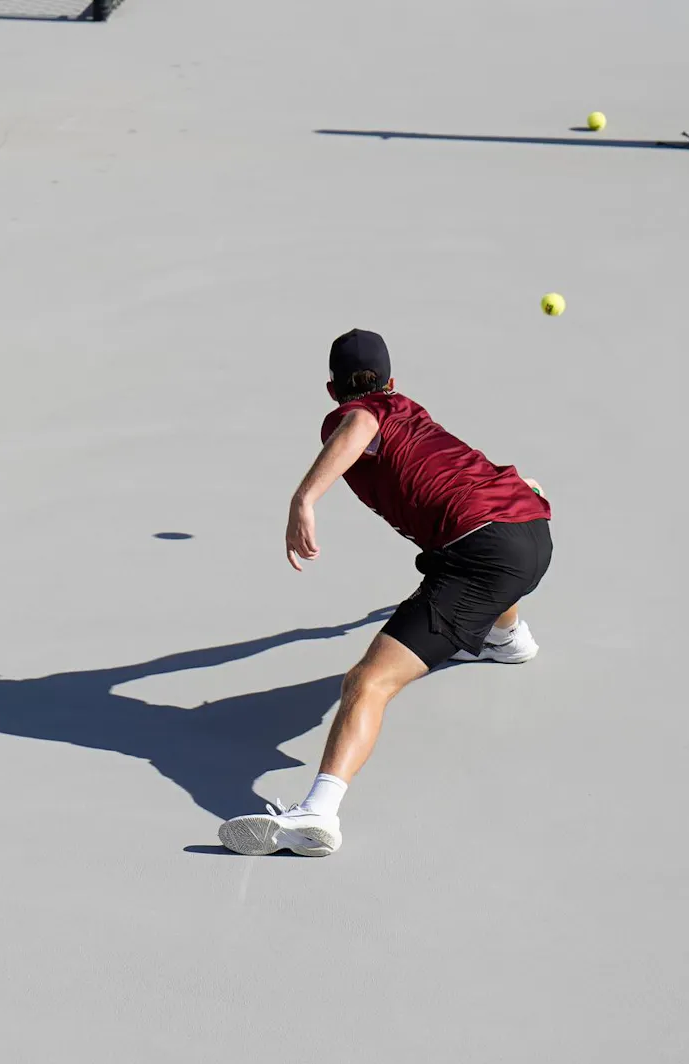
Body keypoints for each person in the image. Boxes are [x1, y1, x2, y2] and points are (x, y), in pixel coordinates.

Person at [217, 328, 553, 857]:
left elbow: (360, 423)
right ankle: (507, 639)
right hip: (531, 525)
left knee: (366, 682)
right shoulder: (409, 410)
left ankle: (317, 814)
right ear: (393, 380)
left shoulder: (355, 416)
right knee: (483, 559)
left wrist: (303, 498)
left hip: (482, 555)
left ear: (331, 389)